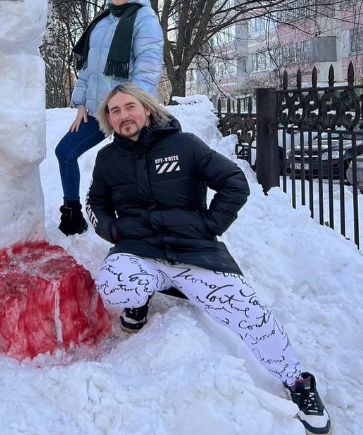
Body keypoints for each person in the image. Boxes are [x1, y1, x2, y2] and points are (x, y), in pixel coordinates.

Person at [86, 84, 331, 435]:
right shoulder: (108, 159)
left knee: (250, 312)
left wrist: (210, 224)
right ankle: (138, 304)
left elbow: (234, 182)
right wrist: (112, 231)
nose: (123, 115)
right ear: (108, 120)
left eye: (130, 107)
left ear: (148, 110)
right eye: (114, 111)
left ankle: (297, 381)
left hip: (194, 252)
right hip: (139, 251)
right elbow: (94, 202)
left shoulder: (184, 146)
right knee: (114, 283)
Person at [56, 0, 163, 235]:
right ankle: (72, 213)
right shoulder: (103, 21)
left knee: (132, 170)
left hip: (127, 113)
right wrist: (80, 103)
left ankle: (144, 224)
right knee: (65, 152)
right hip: (97, 111)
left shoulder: (144, 19)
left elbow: (147, 70)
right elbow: (87, 69)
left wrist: (129, 109)